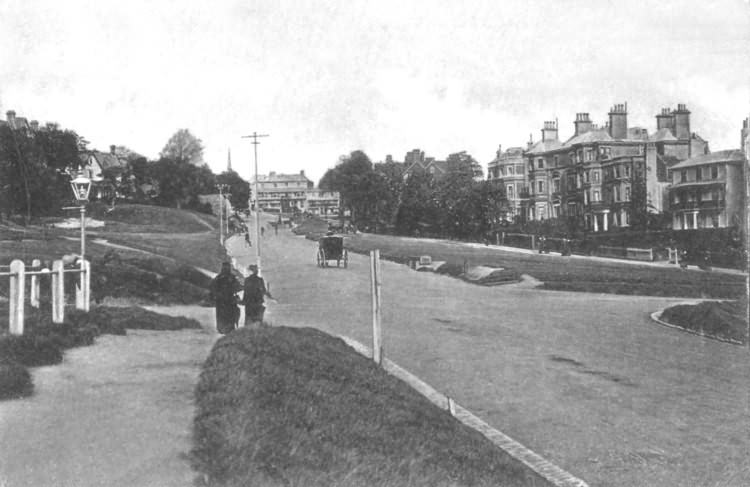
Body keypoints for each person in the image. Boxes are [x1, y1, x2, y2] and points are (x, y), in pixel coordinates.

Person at [210, 262, 241, 334]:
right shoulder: (231, 277)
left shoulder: (218, 277)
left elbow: (213, 288)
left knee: (222, 315)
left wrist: (217, 295)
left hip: (222, 301)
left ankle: (222, 328)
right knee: (228, 315)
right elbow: (237, 287)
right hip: (228, 300)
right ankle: (227, 328)